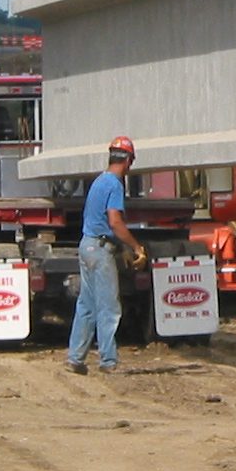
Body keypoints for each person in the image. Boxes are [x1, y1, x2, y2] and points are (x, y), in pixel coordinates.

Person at [69, 135, 147, 375]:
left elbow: (99, 220)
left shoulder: (99, 181)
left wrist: (119, 247)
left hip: (88, 245)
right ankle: (108, 361)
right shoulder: (114, 184)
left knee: (86, 305)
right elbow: (115, 221)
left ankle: (75, 358)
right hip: (101, 251)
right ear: (129, 161)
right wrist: (136, 247)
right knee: (109, 308)